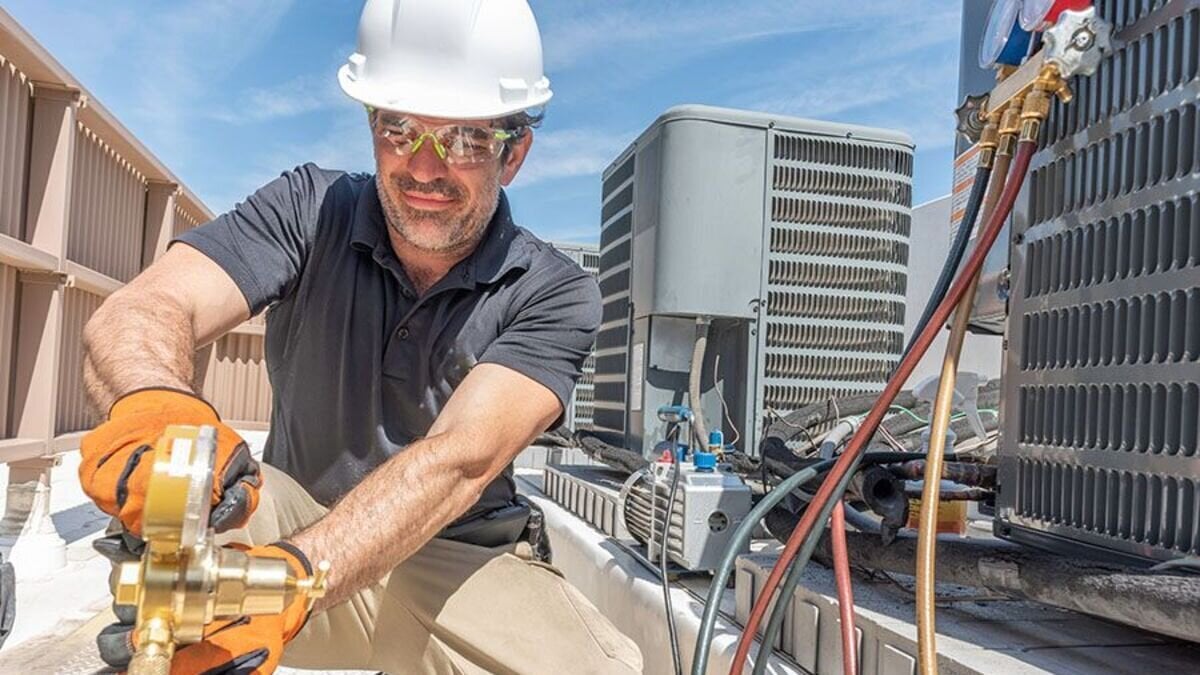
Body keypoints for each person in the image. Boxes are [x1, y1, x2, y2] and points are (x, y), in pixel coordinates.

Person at [77, 0, 643, 672]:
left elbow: (459, 459)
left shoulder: (552, 290)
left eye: (465, 138)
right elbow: (146, 307)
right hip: (295, 530)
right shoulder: (307, 209)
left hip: (452, 563)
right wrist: (153, 403)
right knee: (172, 525)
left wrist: (296, 576)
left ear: (514, 153)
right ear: (371, 124)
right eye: (400, 129)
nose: (427, 168)